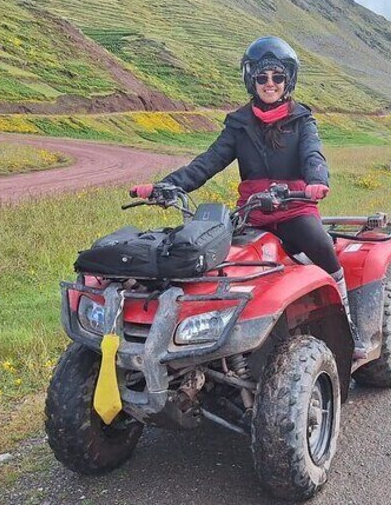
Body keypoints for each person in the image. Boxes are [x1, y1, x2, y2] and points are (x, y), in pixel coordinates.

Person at [130, 36, 366, 358]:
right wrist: (167, 186)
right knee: (222, 266)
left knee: (323, 249)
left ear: (288, 80)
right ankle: (226, 340)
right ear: (251, 80)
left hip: (295, 207)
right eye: (262, 77)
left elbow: (314, 155)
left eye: (278, 77)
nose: (270, 84)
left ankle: (348, 326)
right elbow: (208, 161)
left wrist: (316, 181)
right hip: (253, 213)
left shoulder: (302, 121)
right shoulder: (239, 124)